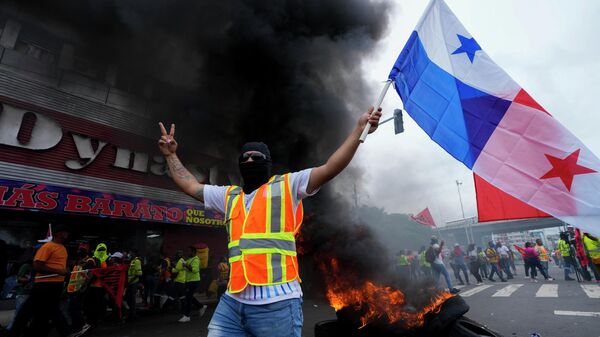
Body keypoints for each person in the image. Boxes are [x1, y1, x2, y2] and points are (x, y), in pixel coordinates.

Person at [158, 106, 382, 337]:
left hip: (278, 302)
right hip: (233, 301)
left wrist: (358, 131)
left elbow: (330, 167)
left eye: (257, 157)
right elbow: (191, 186)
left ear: (268, 163)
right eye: (245, 157)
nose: (250, 160)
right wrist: (170, 155)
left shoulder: (288, 185)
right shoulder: (228, 196)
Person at [24, 224, 70, 337]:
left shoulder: (63, 248)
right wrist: (58, 271)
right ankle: (66, 332)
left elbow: (58, 266)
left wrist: (64, 271)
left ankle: (37, 332)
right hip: (45, 285)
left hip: (57, 284)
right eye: (65, 231)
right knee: (51, 310)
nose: (67, 234)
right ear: (58, 234)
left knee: (44, 313)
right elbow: (37, 266)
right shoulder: (47, 247)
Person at [66, 245, 94, 337]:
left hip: (79, 289)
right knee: (72, 309)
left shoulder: (89, 261)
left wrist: (84, 287)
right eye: (79, 250)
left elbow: (89, 275)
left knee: (75, 309)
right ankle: (76, 326)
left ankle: (82, 326)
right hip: (73, 289)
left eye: (81, 250)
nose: (79, 252)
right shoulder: (79, 261)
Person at [178, 246, 207, 323]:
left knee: (188, 298)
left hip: (194, 281)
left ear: (194, 252)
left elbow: (194, 270)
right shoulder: (189, 259)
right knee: (188, 296)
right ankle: (201, 306)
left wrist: (186, 265)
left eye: (189, 251)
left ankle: (187, 316)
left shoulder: (196, 260)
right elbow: (186, 269)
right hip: (188, 281)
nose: (188, 253)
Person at [6, 260, 32, 331]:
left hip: (30, 293)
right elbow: (18, 279)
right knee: (19, 313)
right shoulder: (26, 266)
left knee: (27, 314)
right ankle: (10, 329)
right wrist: (30, 280)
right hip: (23, 293)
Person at [126, 249, 143, 319]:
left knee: (132, 298)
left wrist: (130, 281)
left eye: (130, 253)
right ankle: (131, 311)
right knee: (128, 297)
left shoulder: (137, 261)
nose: (129, 254)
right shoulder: (132, 261)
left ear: (134, 253)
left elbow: (138, 274)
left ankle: (133, 313)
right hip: (130, 282)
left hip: (133, 283)